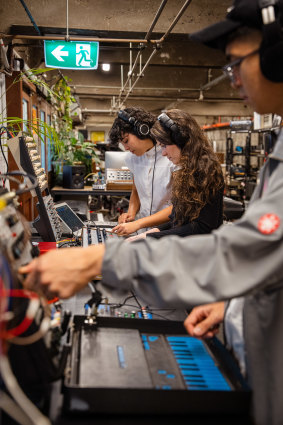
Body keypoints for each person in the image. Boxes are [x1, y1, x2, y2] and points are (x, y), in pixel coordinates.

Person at [20, 1, 283, 424]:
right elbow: (269, 259)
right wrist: (231, 303)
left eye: (236, 63)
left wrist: (105, 257)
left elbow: (238, 246)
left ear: (276, 56)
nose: (232, 79)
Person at [114, 109, 224, 240]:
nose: (163, 153)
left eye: (165, 146)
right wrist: (152, 232)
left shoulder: (206, 171)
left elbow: (202, 227)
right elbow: (178, 218)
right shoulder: (189, 169)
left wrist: (150, 236)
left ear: (181, 140)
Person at [108, 107, 175, 233]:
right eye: (123, 144)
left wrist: (138, 224)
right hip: (142, 230)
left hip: (168, 231)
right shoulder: (132, 159)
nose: (126, 148)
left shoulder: (172, 155)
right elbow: (136, 190)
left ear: (142, 130)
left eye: (126, 141)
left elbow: (179, 206)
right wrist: (131, 213)